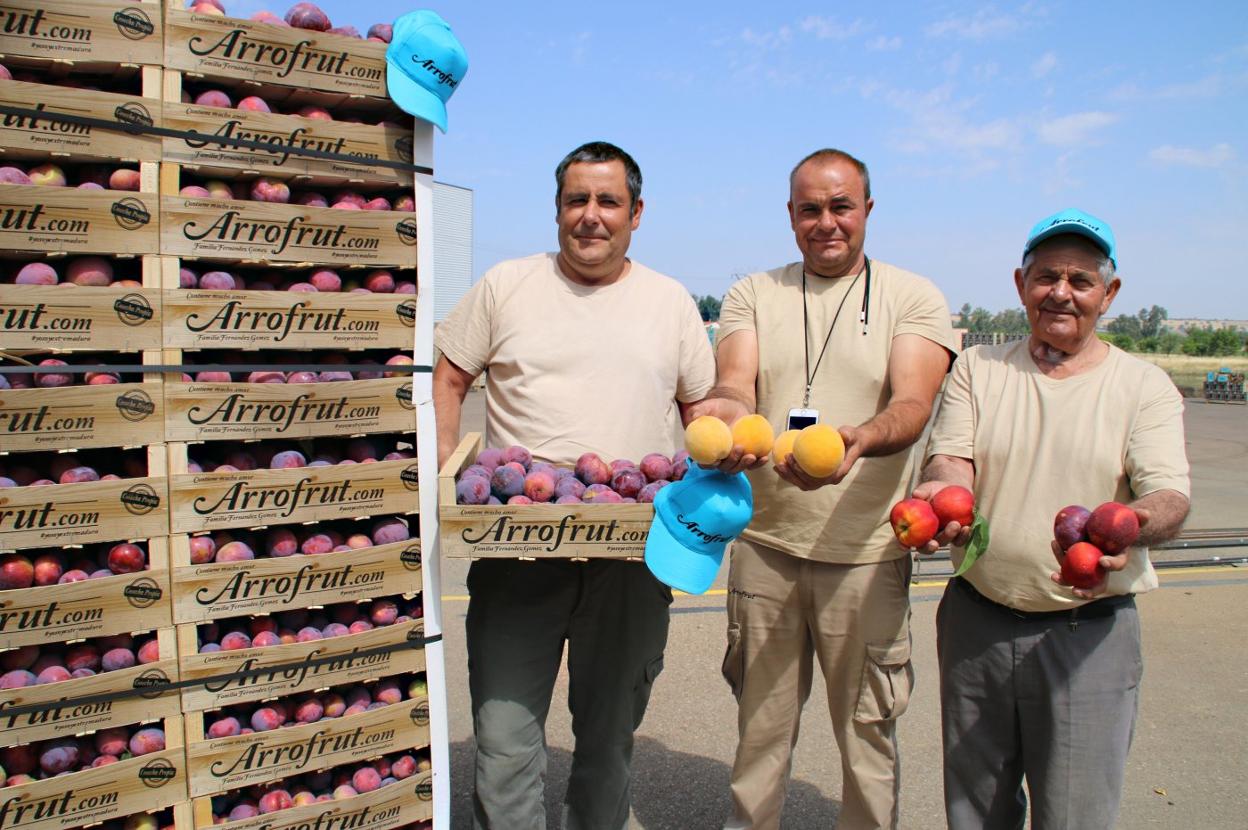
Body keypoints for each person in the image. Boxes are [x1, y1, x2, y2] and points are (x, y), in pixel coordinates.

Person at [432, 141, 715, 830]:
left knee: (607, 747)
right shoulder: (507, 285)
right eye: (576, 200)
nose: (591, 216)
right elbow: (448, 376)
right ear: (558, 210)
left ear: (636, 213)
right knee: (501, 745)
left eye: (608, 201)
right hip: (518, 551)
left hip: (631, 558)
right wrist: (443, 469)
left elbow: (701, 413)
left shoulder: (670, 301)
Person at [689, 148, 957, 829]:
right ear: (790, 215)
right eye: (810, 209)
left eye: (841, 207)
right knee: (760, 736)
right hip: (768, 551)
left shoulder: (912, 296)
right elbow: (735, 379)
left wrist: (861, 439)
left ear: (867, 210)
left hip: (866, 557)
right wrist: (724, 413)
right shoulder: (754, 291)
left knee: (868, 737)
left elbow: (913, 402)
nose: (826, 222)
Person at [916, 208, 1190, 829]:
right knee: (975, 809)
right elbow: (953, 460)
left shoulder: (1143, 387)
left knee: (1075, 816)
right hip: (976, 622)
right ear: (1020, 285)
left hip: (1087, 633)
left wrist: (1128, 525)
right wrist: (940, 498)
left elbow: (1169, 496)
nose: (1060, 292)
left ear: (1109, 294)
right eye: (1045, 277)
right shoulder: (980, 368)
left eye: (1080, 279)